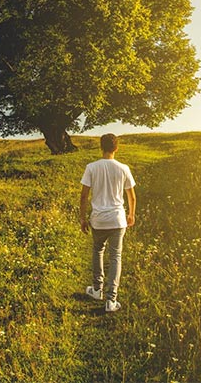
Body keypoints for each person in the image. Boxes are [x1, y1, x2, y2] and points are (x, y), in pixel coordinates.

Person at [80, 133, 136, 312]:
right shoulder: (123, 168)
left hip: (98, 219)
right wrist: (131, 214)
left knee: (98, 251)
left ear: (101, 147)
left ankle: (97, 290)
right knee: (115, 257)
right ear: (116, 148)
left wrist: (82, 217)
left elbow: (84, 196)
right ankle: (111, 300)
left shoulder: (91, 167)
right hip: (118, 219)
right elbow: (132, 196)